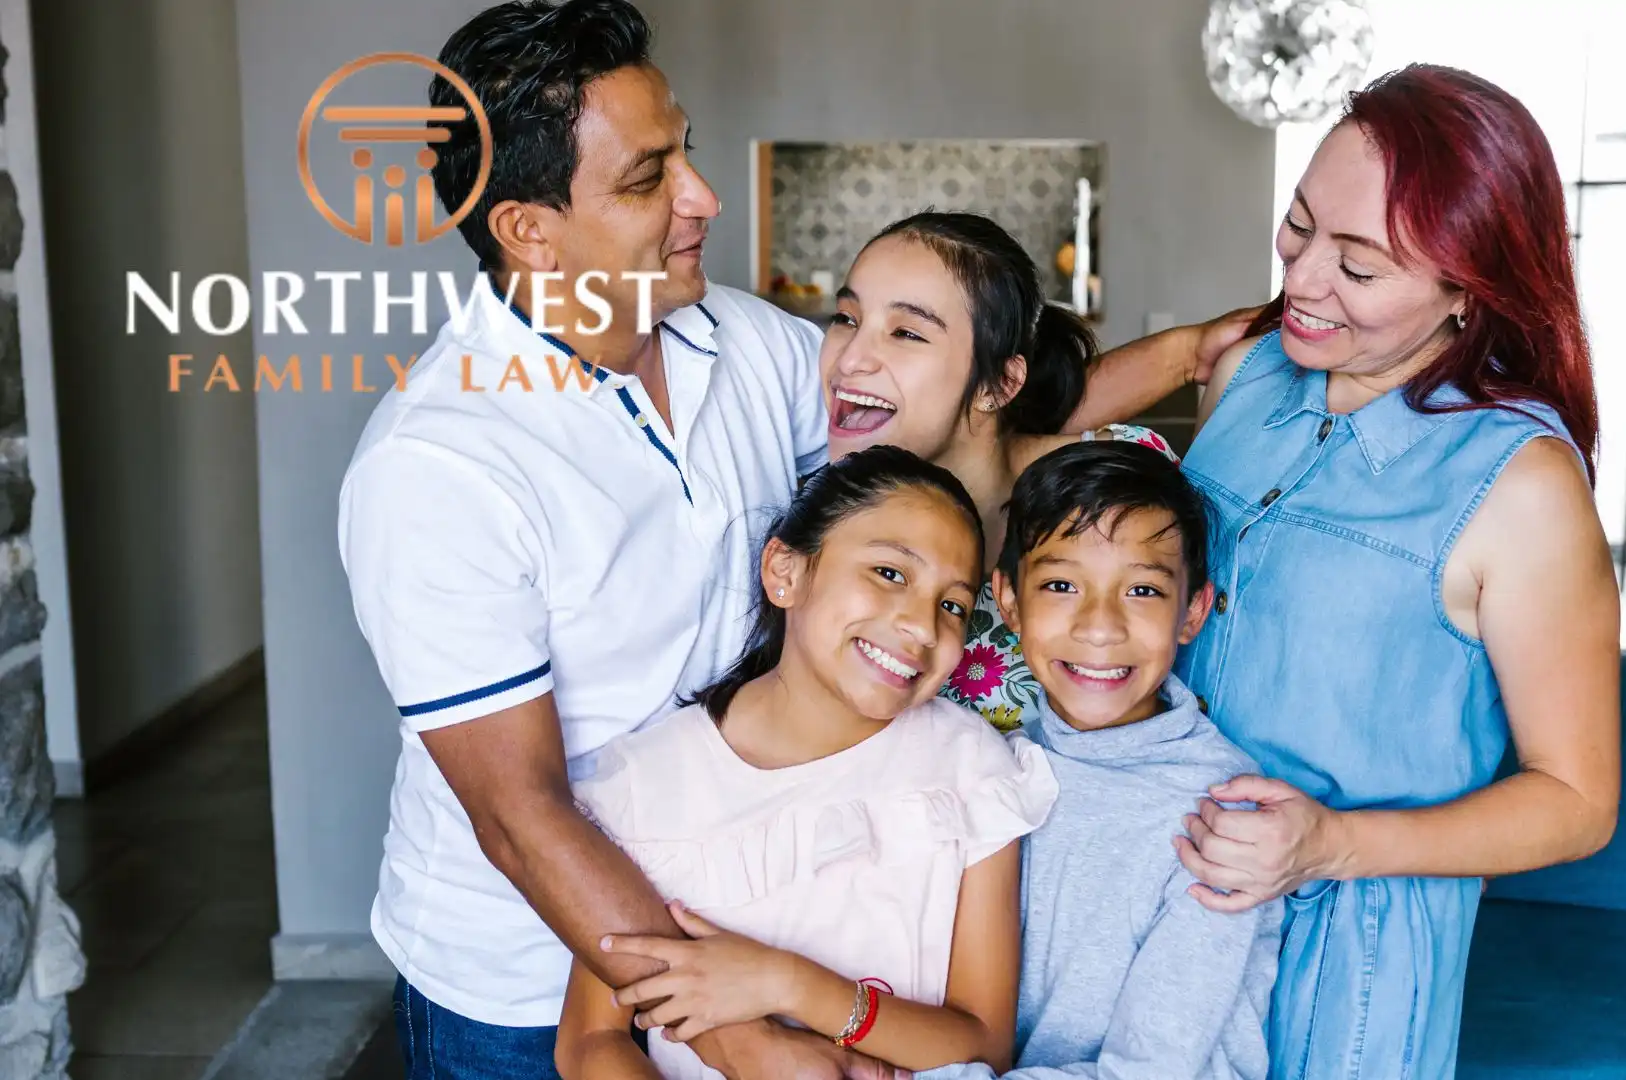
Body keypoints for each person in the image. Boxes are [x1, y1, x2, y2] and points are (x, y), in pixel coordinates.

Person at [336, 4, 1244, 1076]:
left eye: (688, 152)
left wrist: (1188, 350)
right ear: (530, 229)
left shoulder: (749, 344)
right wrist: (748, 1041)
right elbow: (521, 815)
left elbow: (963, 416)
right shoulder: (439, 466)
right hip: (530, 983)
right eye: (647, 178)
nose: (703, 200)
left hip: (768, 913)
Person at [1170, 65, 1623, 1079]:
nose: (1302, 280)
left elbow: (1579, 800)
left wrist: (1332, 844)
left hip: (1348, 967)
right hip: (1162, 909)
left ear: (1470, 289)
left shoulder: (1523, 488)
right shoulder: (1254, 375)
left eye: (1360, 268)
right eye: (1297, 226)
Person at [558, 446, 1056, 1079]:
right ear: (784, 571)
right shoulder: (644, 783)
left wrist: (788, 983)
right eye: (890, 574)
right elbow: (590, 1042)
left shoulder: (971, 772)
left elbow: (982, 1046)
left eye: (952, 605)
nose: (923, 627)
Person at [921, 441, 1282, 1080]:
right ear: (1007, 600)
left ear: (1193, 611)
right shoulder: (987, 761)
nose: (1100, 626)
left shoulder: (1223, 818)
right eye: (1061, 585)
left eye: (1141, 590)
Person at [819, 213, 1198, 732]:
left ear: (998, 384)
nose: (850, 359)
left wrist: (1189, 354)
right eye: (846, 319)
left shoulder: (1122, 478)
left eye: (905, 332)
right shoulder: (825, 509)